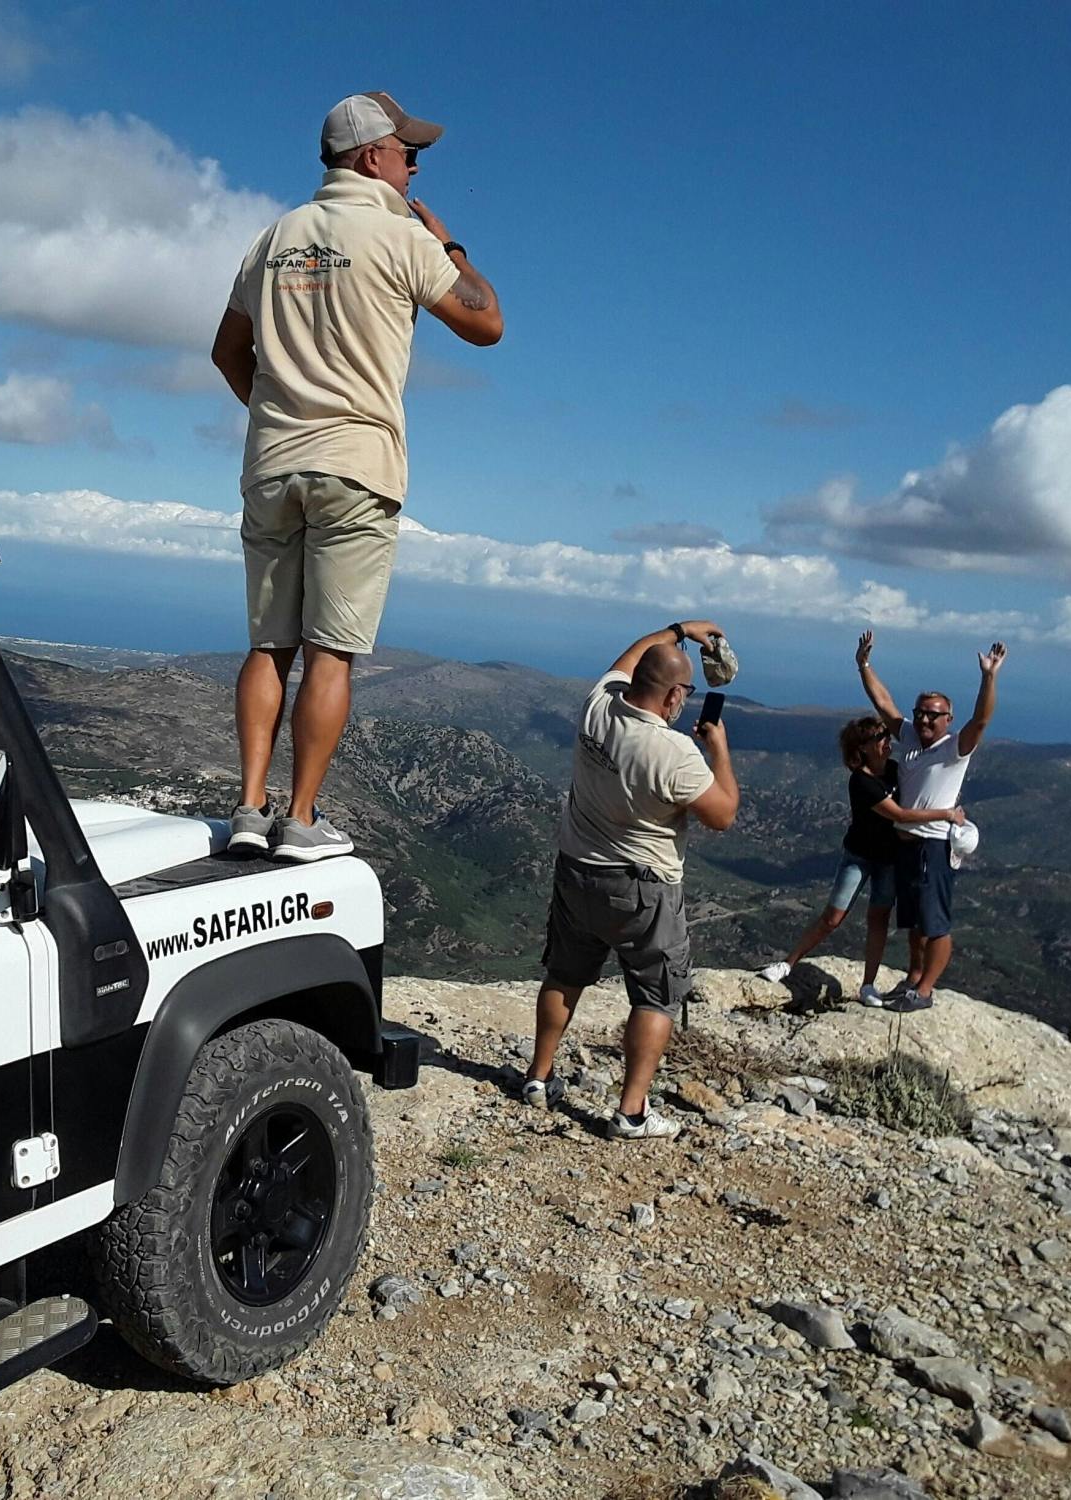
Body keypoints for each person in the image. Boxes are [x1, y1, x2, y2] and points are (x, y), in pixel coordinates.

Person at [210, 92, 503, 863]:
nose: (415, 169)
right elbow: (486, 324)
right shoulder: (403, 237)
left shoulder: (273, 238)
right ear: (373, 156)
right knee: (329, 652)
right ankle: (300, 821)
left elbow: (226, 353)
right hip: (358, 467)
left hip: (272, 463)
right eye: (410, 155)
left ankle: (248, 809)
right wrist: (454, 249)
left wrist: (281, 413)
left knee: (267, 646)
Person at [520, 621, 739, 1140]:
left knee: (565, 975)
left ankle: (537, 1077)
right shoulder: (673, 753)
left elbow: (629, 658)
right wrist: (720, 750)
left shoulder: (597, 706)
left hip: (576, 870)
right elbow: (723, 814)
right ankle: (631, 1111)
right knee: (655, 995)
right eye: (683, 693)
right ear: (673, 696)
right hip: (642, 888)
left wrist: (676, 630)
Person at [756, 716, 967, 1005]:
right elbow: (900, 815)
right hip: (860, 857)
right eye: (879, 737)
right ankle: (788, 963)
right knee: (833, 917)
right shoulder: (862, 781)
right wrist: (946, 814)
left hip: (890, 859)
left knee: (878, 919)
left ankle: (868, 985)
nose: (886, 740)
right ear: (864, 747)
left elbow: (924, 790)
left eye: (885, 735)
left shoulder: (895, 770)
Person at [855, 630, 1007, 1011]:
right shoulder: (908, 738)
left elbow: (982, 719)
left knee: (935, 924)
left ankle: (924, 992)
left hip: (932, 845)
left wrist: (989, 677)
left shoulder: (954, 748)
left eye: (933, 714)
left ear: (947, 719)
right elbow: (884, 702)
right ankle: (912, 979)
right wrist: (864, 665)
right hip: (905, 845)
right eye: (921, 712)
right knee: (915, 924)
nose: (924, 718)